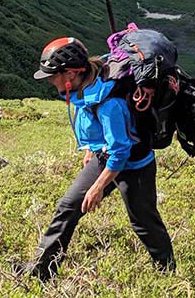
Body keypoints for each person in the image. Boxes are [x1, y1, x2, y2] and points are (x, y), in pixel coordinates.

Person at [18, 36, 175, 281]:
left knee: (144, 222)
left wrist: (97, 187)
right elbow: (93, 123)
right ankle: (41, 270)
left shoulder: (107, 103)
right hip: (105, 156)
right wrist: (91, 149)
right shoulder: (87, 87)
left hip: (135, 164)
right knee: (68, 207)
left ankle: (167, 272)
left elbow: (121, 151)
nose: (49, 80)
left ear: (70, 74)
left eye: (52, 75)